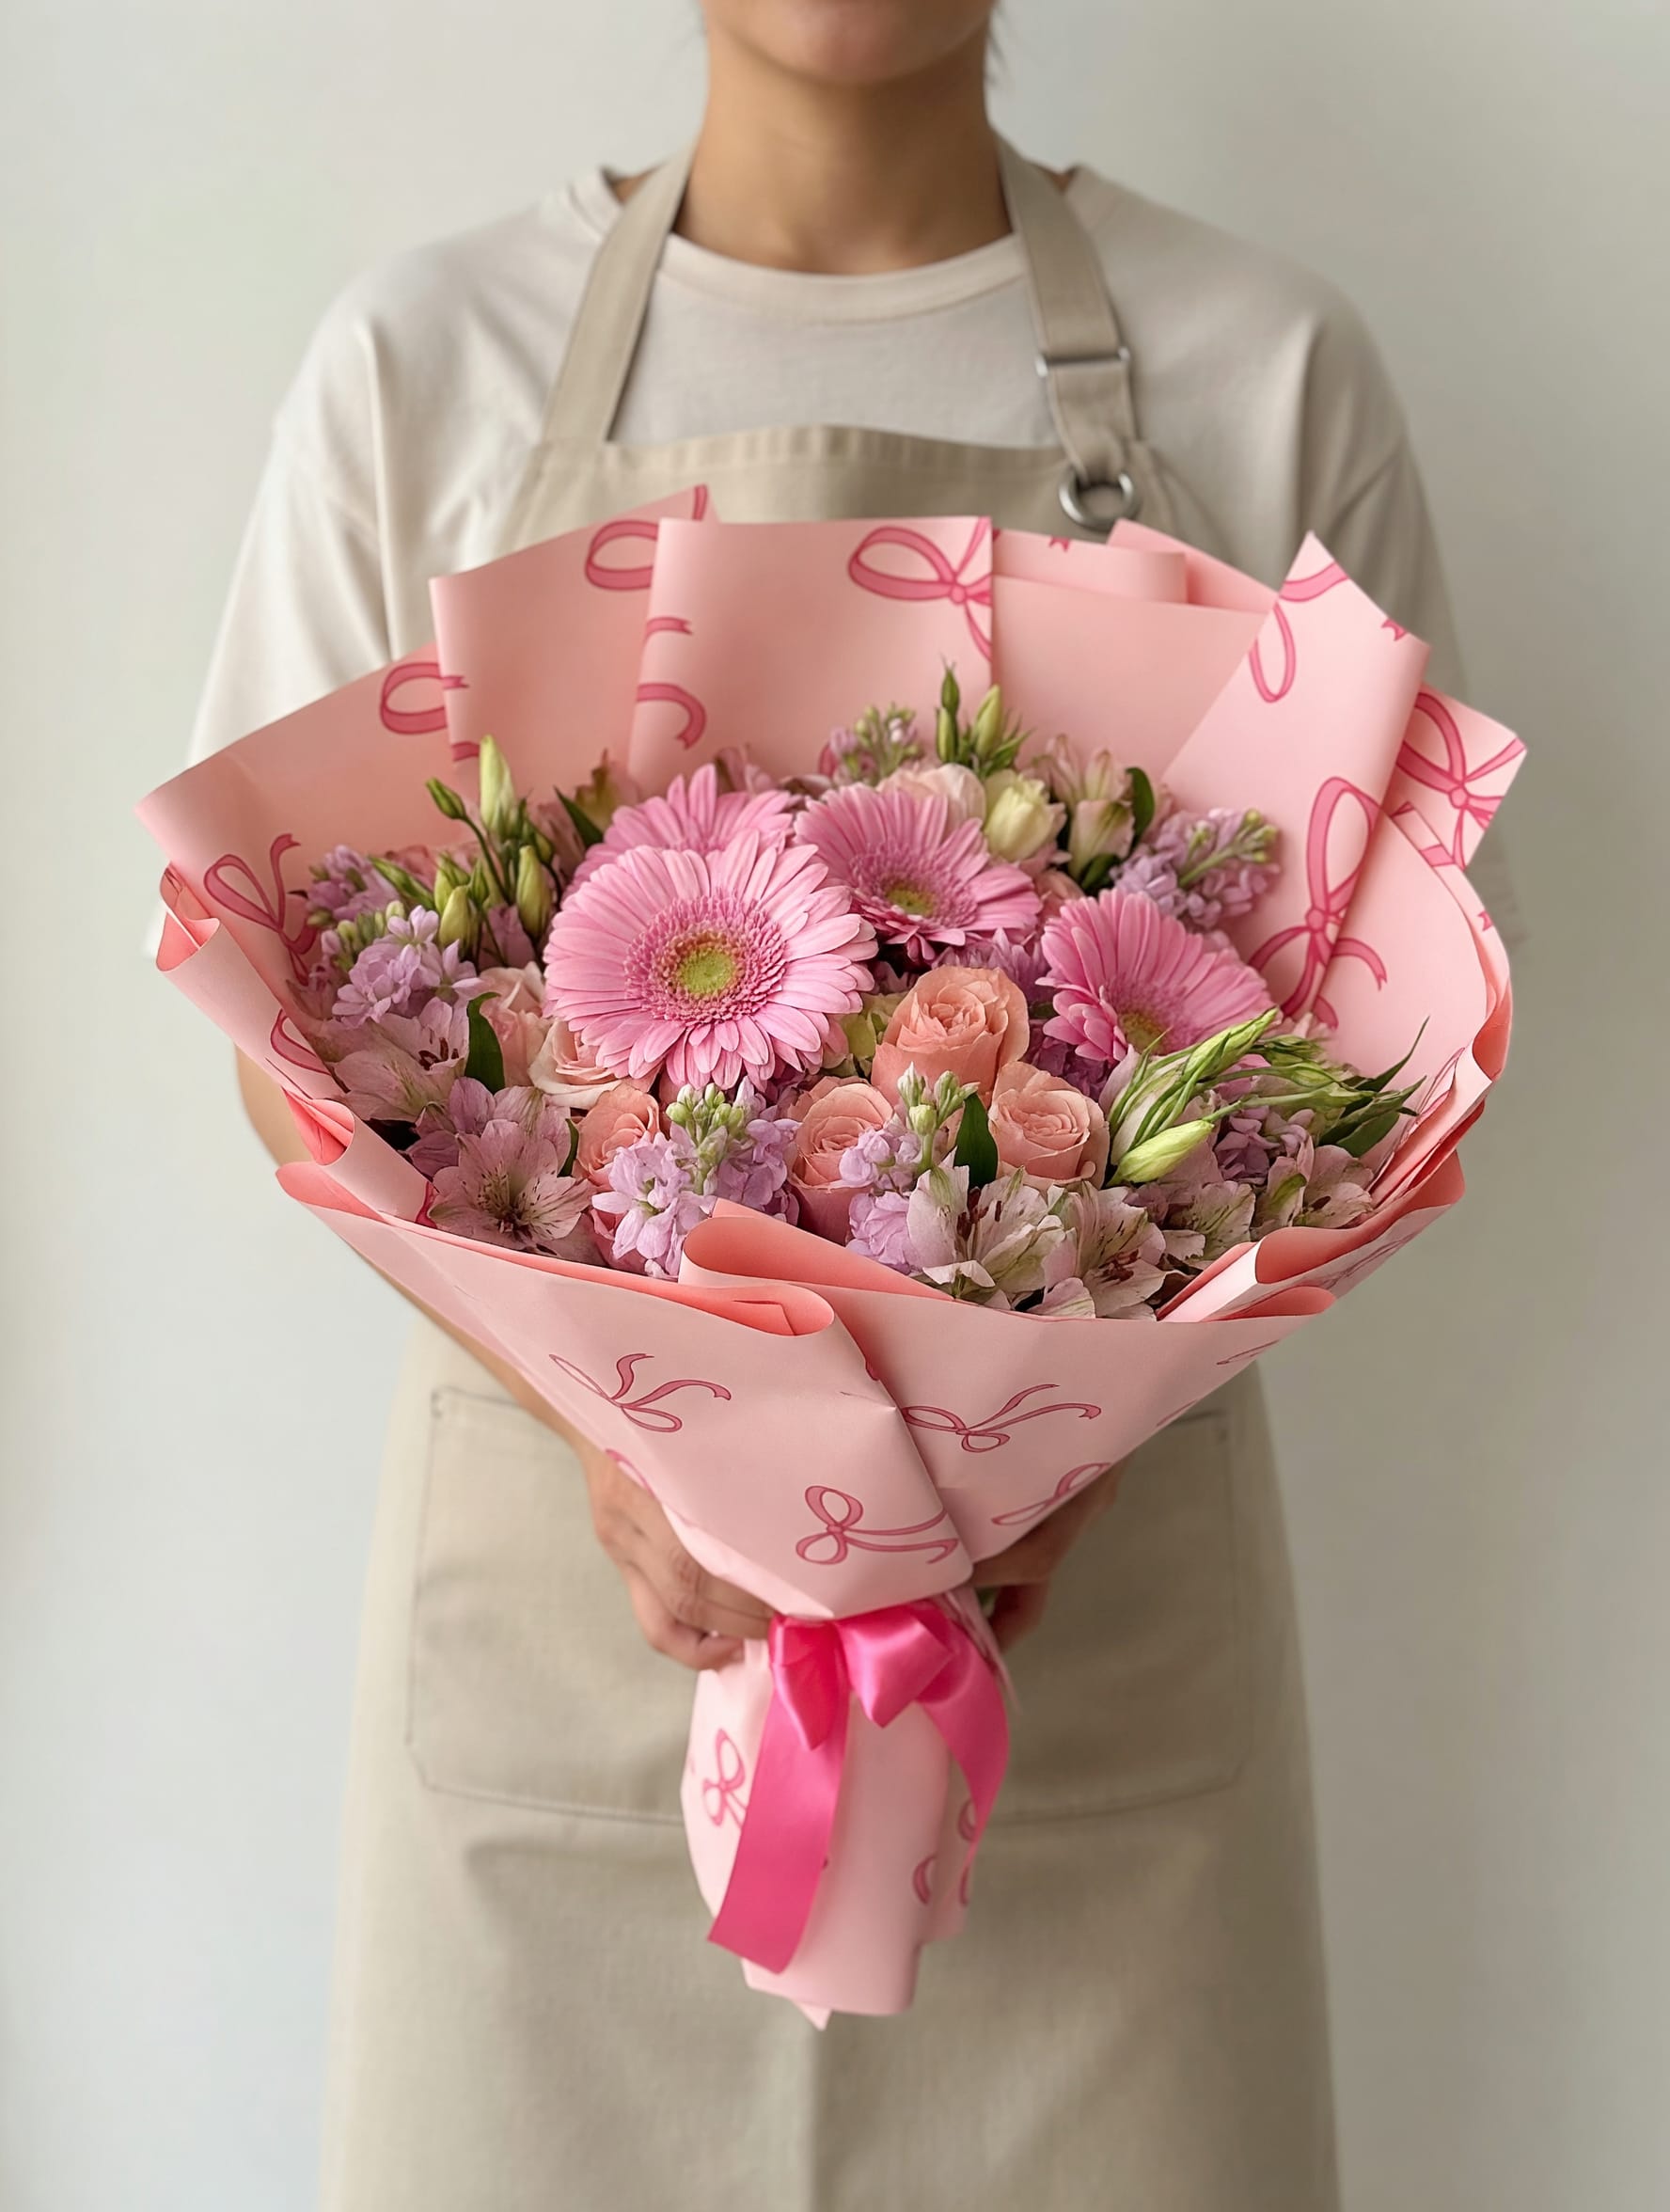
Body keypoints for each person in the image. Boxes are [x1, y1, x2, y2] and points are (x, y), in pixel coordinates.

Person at [195, 5, 1516, 2205]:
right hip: (568, 1692)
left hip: (1093, 1709)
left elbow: (1394, 1047)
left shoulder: (1266, 364)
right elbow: (282, 1035)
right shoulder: (432, 366)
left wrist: (1050, 1453)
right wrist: (632, 1445)